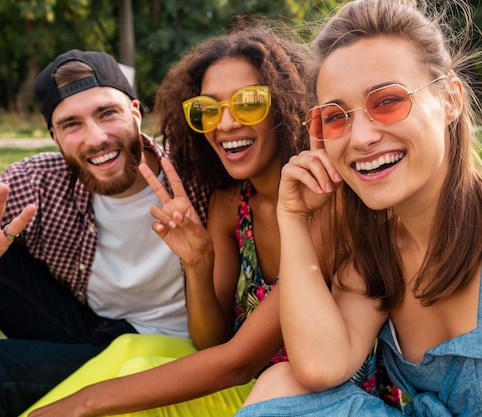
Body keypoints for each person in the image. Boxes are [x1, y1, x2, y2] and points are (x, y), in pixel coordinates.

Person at [234, 0, 482, 416]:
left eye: (386, 101)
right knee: (281, 384)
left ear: (450, 98)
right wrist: (293, 217)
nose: (360, 137)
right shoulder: (375, 256)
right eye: (335, 116)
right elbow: (319, 366)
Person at [22, 24, 348, 417]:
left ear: (286, 103)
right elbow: (209, 343)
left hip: (304, 393)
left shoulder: (329, 205)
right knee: (129, 349)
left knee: (122, 389)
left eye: (249, 103)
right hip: (246, 375)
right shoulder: (232, 203)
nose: (224, 124)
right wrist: (198, 263)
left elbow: (237, 362)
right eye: (207, 109)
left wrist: (84, 404)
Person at [0, 49, 208, 416]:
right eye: (72, 124)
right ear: (55, 138)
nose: (96, 137)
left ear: (136, 113)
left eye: (108, 113)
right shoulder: (44, 179)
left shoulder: (196, 173)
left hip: (166, 352)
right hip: (91, 332)